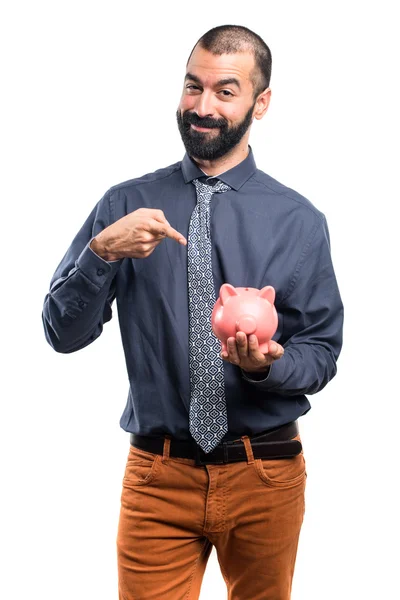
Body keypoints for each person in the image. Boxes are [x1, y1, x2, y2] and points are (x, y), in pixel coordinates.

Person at [42, 24, 344, 600]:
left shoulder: (299, 220)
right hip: (159, 477)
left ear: (262, 102)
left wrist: (266, 367)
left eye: (224, 92)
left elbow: (322, 353)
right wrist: (101, 253)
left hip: (267, 473)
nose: (202, 108)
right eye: (192, 87)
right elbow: (62, 333)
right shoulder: (124, 205)